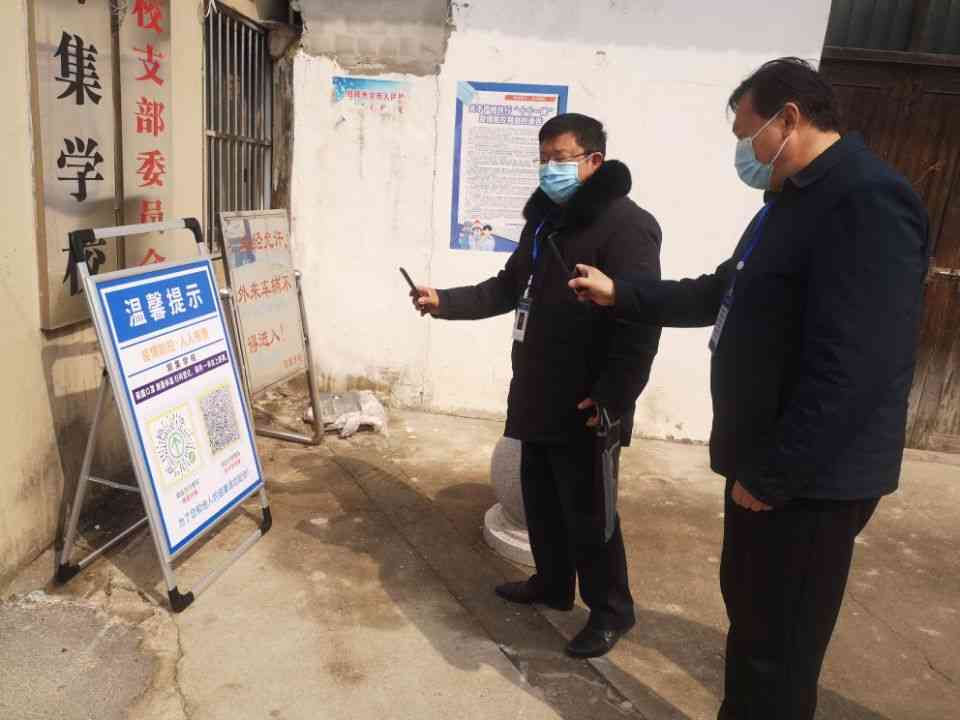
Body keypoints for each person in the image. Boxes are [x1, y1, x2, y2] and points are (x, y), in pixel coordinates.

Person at [570, 58, 929, 718]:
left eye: (747, 133)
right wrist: (623, 292)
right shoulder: (792, 201)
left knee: (779, 648)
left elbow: (857, 365)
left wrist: (776, 475)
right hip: (765, 462)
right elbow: (721, 291)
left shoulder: (866, 200)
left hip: (809, 481)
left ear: (788, 118)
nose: (745, 151)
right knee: (754, 622)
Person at [411, 113, 662, 658]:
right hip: (538, 389)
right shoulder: (546, 222)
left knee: (591, 512)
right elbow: (507, 288)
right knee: (542, 499)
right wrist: (444, 301)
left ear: (593, 161)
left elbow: (642, 321)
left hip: (588, 399)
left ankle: (611, 611)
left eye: (561, 158)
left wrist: (614, 397)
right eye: (543, 158)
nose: (549, 168)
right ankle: (552, 583)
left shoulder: (628, 226)